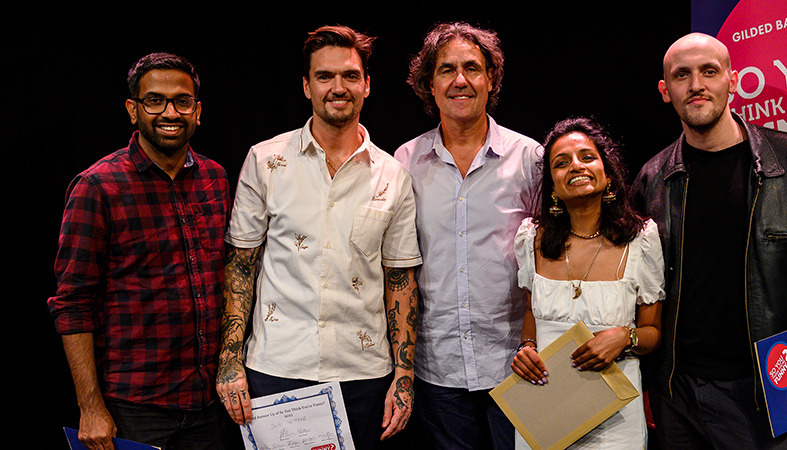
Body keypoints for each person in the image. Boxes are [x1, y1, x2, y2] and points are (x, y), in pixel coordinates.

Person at [631, 32, 787, 448]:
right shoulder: (651, 179)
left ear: (732, 81)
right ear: (666, 91)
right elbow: (635, 295)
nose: (696, 84)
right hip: (676, 396)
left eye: (709, 71)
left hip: (771, 394)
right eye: (682, 75)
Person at [214, 25, 421, 449]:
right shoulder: (265, 160)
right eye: (324, 77)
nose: (337, 87)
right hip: (276, 368)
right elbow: (240, 266)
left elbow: (400, 280)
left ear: (367, 85)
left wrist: (404, 374)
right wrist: (230, 360)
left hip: (364, 374)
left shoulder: (393, 176)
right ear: (307, 87)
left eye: (348, 76)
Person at [48, 53, 237, 450]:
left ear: (197, 111)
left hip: (209, 405)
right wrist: (90, 406)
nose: (170, 112)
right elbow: (73, 304)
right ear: (134, 111)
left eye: (182, 101)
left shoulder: (215, 178)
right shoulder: (97, 186)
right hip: (134, 410)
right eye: (155, 101)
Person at [394, 21, 543, 449]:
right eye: (447, 70)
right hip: (437, 370)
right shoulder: (405, 162)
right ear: (430, 84)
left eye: (473, 68)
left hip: (516, 364)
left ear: (490, 79)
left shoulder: (530, 159)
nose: (461, 80)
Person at [511, 117, 664, 448]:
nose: (575, 166)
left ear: (607, 174)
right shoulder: (531, 240)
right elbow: (530, 313)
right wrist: (526, 348)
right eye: (561, 163)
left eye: (587, 156)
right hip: (545, 407)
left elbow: (653, 333)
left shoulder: (642, 240)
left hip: (615, 417)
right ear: (552, 185)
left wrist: (625, 336)